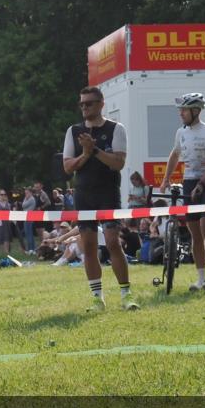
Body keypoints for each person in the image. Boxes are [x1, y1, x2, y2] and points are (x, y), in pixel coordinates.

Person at [63, 86, 139, 312]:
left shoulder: (116, 129)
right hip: (84, 193)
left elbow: (118, 163)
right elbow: (67, 166)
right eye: (81, 104)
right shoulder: (73, 131)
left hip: (108, 192)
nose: (84, 108)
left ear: (100, 104)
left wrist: (93, 150)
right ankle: (98, 297)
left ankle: (126, 294)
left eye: (89, 103)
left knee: (113, 242)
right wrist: (85, 154)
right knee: (88, 246)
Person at [161, 93, 205, 291]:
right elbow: (175, 154)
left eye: (184, 110)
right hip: (189, 180)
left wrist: (202, 185)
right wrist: (165, 179)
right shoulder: (181, 132)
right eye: (181, 110)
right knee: (194, 232)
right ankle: (200, 278)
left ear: (196, 111)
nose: (181, 113)